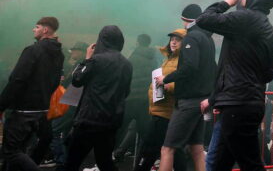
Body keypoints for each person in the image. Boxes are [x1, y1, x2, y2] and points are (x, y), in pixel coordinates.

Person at [198, 0, 273, 171]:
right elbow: (269, 73)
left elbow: (204, 20)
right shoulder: (266, 27)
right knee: (219, 164)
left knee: (250, 164)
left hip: (238, 103)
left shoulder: (247, 19)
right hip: (247, 102)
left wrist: (227, 2)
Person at [155, 4, 217, 171]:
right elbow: (213, 67)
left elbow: (190, 67)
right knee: (196, 149)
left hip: (188, 102)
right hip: (203, 101)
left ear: (185, 20)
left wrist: (166, 78)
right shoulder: (208, 39)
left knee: (167, 149)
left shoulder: (191, 37)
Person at [64, 25, 133, 171]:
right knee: (105, 162)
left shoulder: (96, 60)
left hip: (89, 120)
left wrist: (87, 59)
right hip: (110, 121)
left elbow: (76, 80)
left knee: (72, 162)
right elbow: (126, 92)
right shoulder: (127, 64)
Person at [0, 17, 65, 171]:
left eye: (36, 27)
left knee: (11, 151)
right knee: (20, 150)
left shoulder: (33, 50)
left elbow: (17, 80)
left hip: (23, 112)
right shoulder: (59, 55)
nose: (33, 29)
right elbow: (55, 83)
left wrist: (1, 105)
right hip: (41, 111)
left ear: (45, 30)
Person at [134, 29, 188, 171]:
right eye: (172, 39)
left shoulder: (183, 61)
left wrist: (166, 84)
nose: (174, 42)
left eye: (178, 39)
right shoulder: (169, 59)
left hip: (166, 112)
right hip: (161, 110)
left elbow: (185, 84)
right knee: (173, 150)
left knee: (149, 149)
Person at [115, 34, 157, 161]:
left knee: (119, 128)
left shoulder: (132, 58)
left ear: (138, 42)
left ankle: (112, 156)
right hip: (146, 100)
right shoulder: (154, 59)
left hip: (130, 98)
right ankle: (141, 160)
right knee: (144, 132)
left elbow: (123, 78)